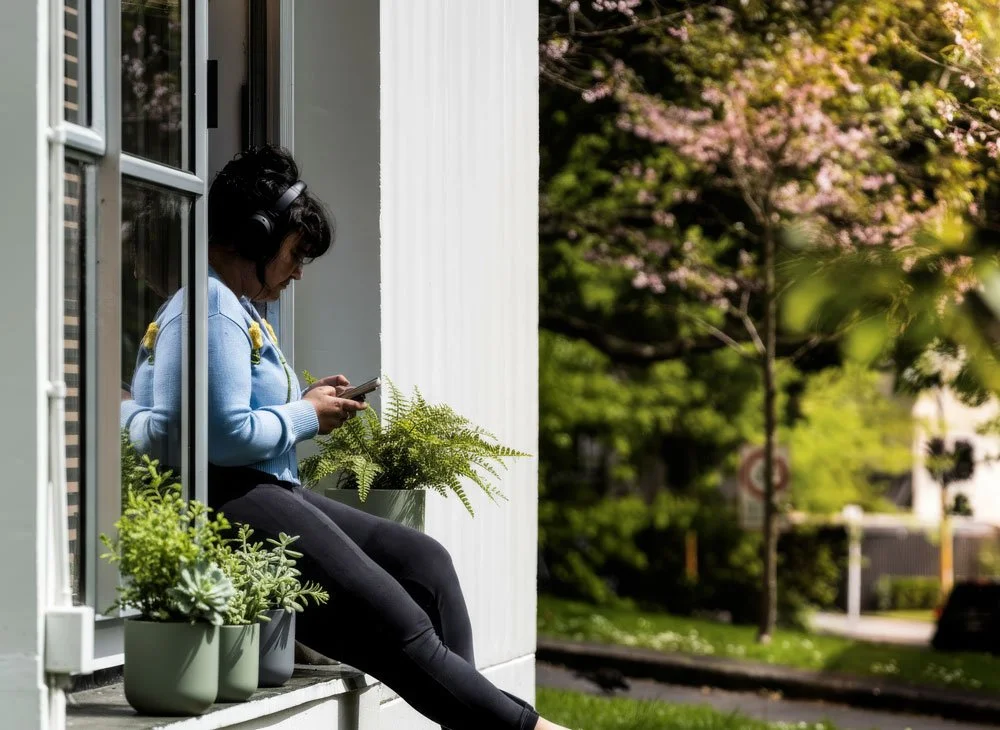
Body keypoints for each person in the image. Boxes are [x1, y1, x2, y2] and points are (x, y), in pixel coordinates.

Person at [122, 145, 575, 730]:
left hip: (262, 486)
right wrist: (307, 415)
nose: (299, 271)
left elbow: (178, 417)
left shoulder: (233, 307)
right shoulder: (209, 306)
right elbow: (221, 436)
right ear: (257, 236)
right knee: (397, 625)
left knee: (423, 561)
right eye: (293, 253)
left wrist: (305, 406)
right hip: (231, 497)